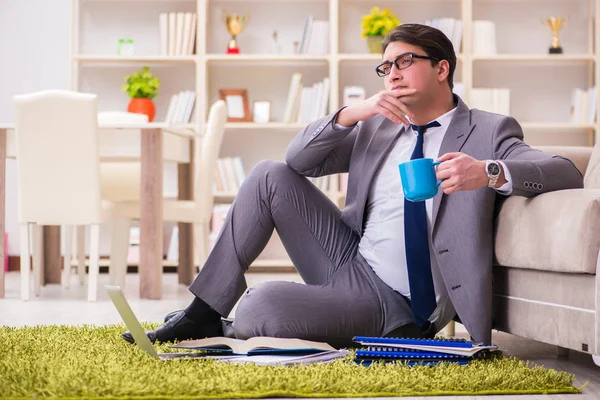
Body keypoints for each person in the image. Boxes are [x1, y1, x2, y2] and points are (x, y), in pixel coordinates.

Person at [123, 23, 583, 347]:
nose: (393, 73)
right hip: (350, 260)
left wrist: (485, 172)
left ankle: (274, 322)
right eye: (385, 67)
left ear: (442, 69)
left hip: (400, 302)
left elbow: (565, 171)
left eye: (405, 61)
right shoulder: (378, 127)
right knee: (267, 173)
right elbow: (297, 161)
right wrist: (350, 114)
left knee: (258, 307)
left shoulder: (487, 130)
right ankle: (204, 311)